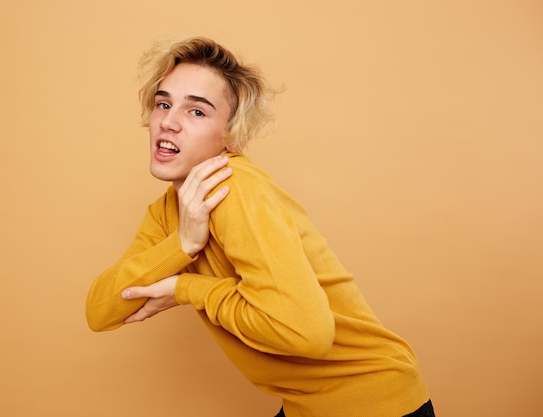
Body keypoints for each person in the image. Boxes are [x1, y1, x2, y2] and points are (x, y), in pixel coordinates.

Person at [86, 36, 435, 417]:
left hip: (371, 403)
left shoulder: (235, 190)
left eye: (197, 112)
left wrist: (187, 287)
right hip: (309, 405)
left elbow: (308, 336)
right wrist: (182, 244)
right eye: (163, 104)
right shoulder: (169, 212)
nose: (169, 122)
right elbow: (100, 311)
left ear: (231, 134)